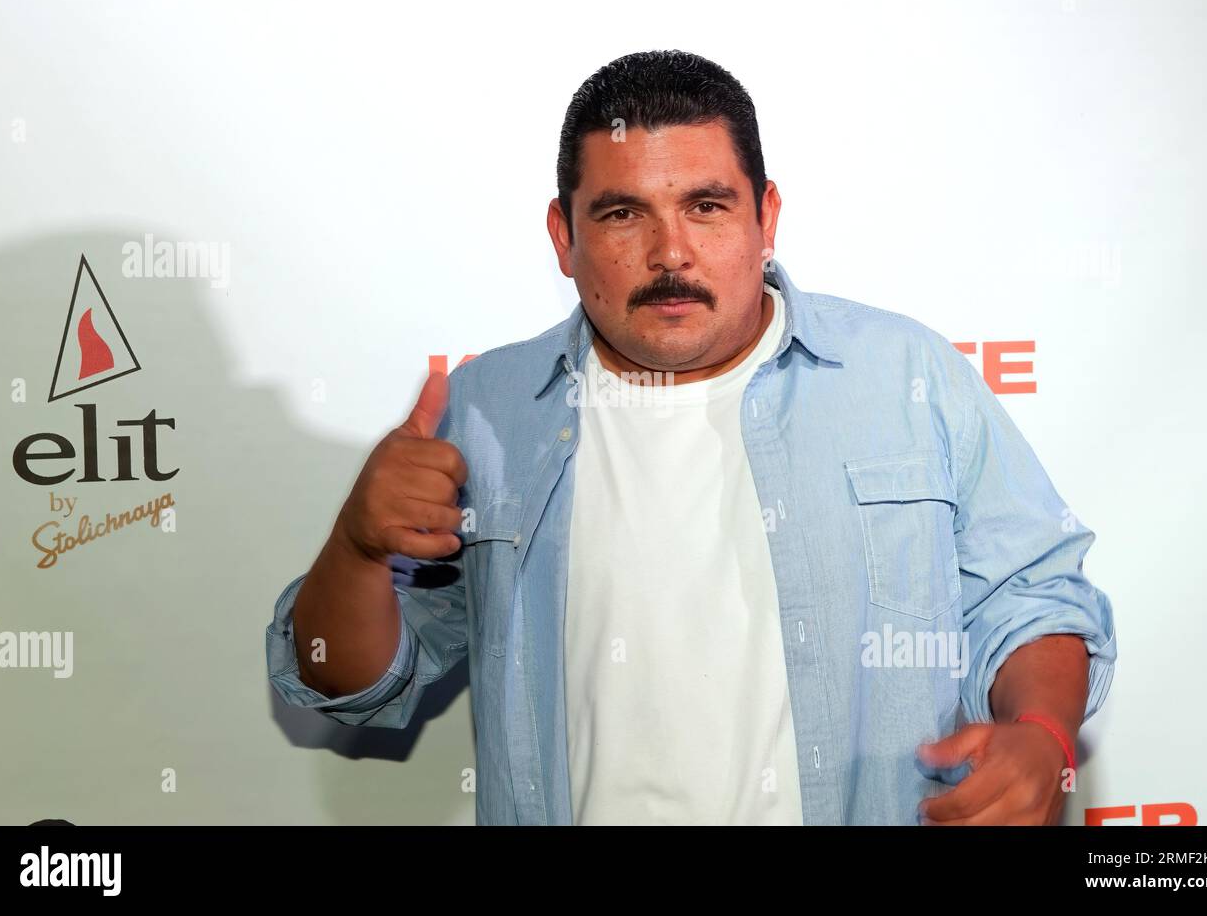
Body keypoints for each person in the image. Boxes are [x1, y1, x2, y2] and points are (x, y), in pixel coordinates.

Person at [265, 49, 1116, 825]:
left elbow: (1032, 594)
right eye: (623, 213)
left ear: (766, 213)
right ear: (564, 235)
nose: (671, 252)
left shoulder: (906, 376)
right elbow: (345, 679)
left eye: (706, 206)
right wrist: (356, 546)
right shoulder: (487, 413)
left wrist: (1041, 733)